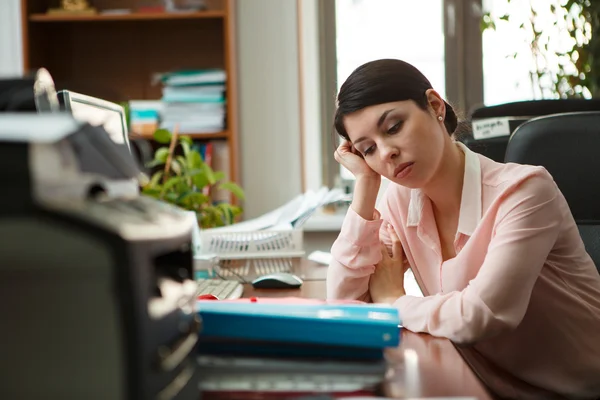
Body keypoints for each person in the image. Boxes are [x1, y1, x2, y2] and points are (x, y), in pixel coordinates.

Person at [327, 58, 600, 399]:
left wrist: (393, 301)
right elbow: (343, 304)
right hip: (482, 383)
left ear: (435, 106)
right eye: (368, 149)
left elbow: (480, 316)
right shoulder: (398, 199)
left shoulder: (527, 192)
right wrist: (366, 185)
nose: (387, 153)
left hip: (572, 391)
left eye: (394, 127)